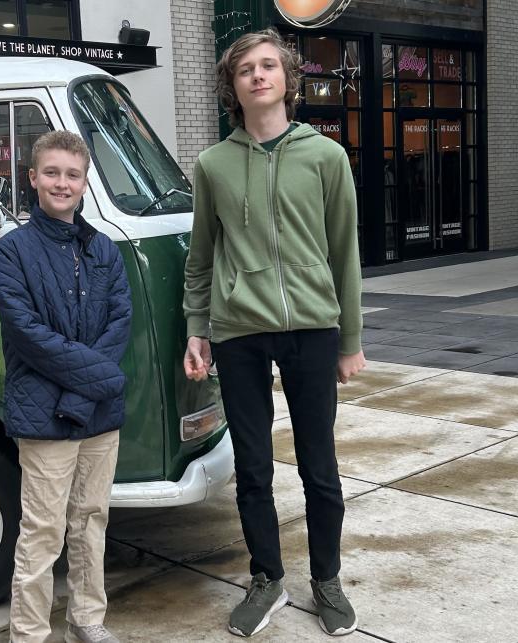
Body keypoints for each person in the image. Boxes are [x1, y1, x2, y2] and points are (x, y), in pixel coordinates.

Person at [182, 28, 366, 638]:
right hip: (238, 333)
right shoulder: (213, 164)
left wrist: (350, 339)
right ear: (233, 88)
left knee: (320, 466)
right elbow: (202, 259)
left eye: (268, 66)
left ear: (288, 78)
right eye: (245, 70)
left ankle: (327, 579)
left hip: (312, 330)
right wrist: (197, 329)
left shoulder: (326, 157)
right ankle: (266, 578)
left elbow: (346, 253)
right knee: (254, 467)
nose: (258, 76)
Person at [0, 130, 131, 643]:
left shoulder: (105, 252)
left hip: (95, 417)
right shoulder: (10, 253)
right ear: (32, 178)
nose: (62, 183)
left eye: (72, 174)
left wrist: (80, 393)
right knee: (42, 534)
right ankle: (28, 634)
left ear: (85, 182)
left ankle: (87, 621)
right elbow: (30, 337)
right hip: (42, 417)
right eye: (51, 172)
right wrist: (96, 384)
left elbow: (119, 326)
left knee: (91, 524)